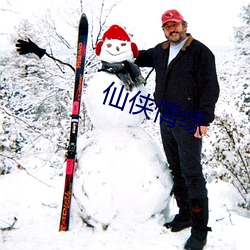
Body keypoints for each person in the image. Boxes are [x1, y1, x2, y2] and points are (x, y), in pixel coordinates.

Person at [135, 9, 219, 250]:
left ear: (184, 24)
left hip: (190, 122)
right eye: (167, 26)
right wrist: (115, 46)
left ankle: (200, 231)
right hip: (166, 119)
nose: (172, 29)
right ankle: (185, 214)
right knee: (177, 169)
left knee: (192, 173)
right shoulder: (161, 51)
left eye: (175, 24)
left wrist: (203, 120)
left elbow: (210, 88)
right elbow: (138, 56)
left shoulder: (200, 52)